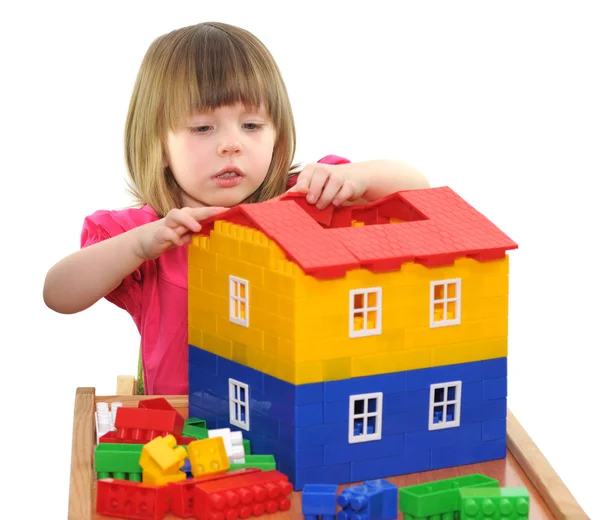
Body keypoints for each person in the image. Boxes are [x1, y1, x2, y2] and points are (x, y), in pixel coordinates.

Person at [43, 21, 430, 395]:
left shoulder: (305, 198)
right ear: (159, 145)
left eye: (251, 125)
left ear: (277, 137)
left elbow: (418, 191)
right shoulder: (150, 233)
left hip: (294, 412)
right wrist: (138, 245)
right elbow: (58, 293)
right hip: (183, 432)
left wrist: (358, 176)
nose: (231, 144)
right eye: (202, 128)